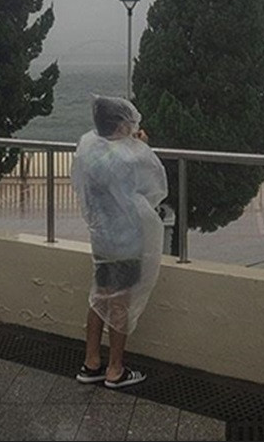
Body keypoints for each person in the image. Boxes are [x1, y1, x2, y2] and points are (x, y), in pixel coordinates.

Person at [72, 95, 167, 389]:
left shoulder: (87, 146)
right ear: (121, 124)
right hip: (126, 240)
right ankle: (115, 369)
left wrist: (130, 143)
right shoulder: (131, 156)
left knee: (100, 296)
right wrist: (141, 145)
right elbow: (153, 187)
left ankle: (91, 363)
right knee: (120, 303)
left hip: (101, 239)